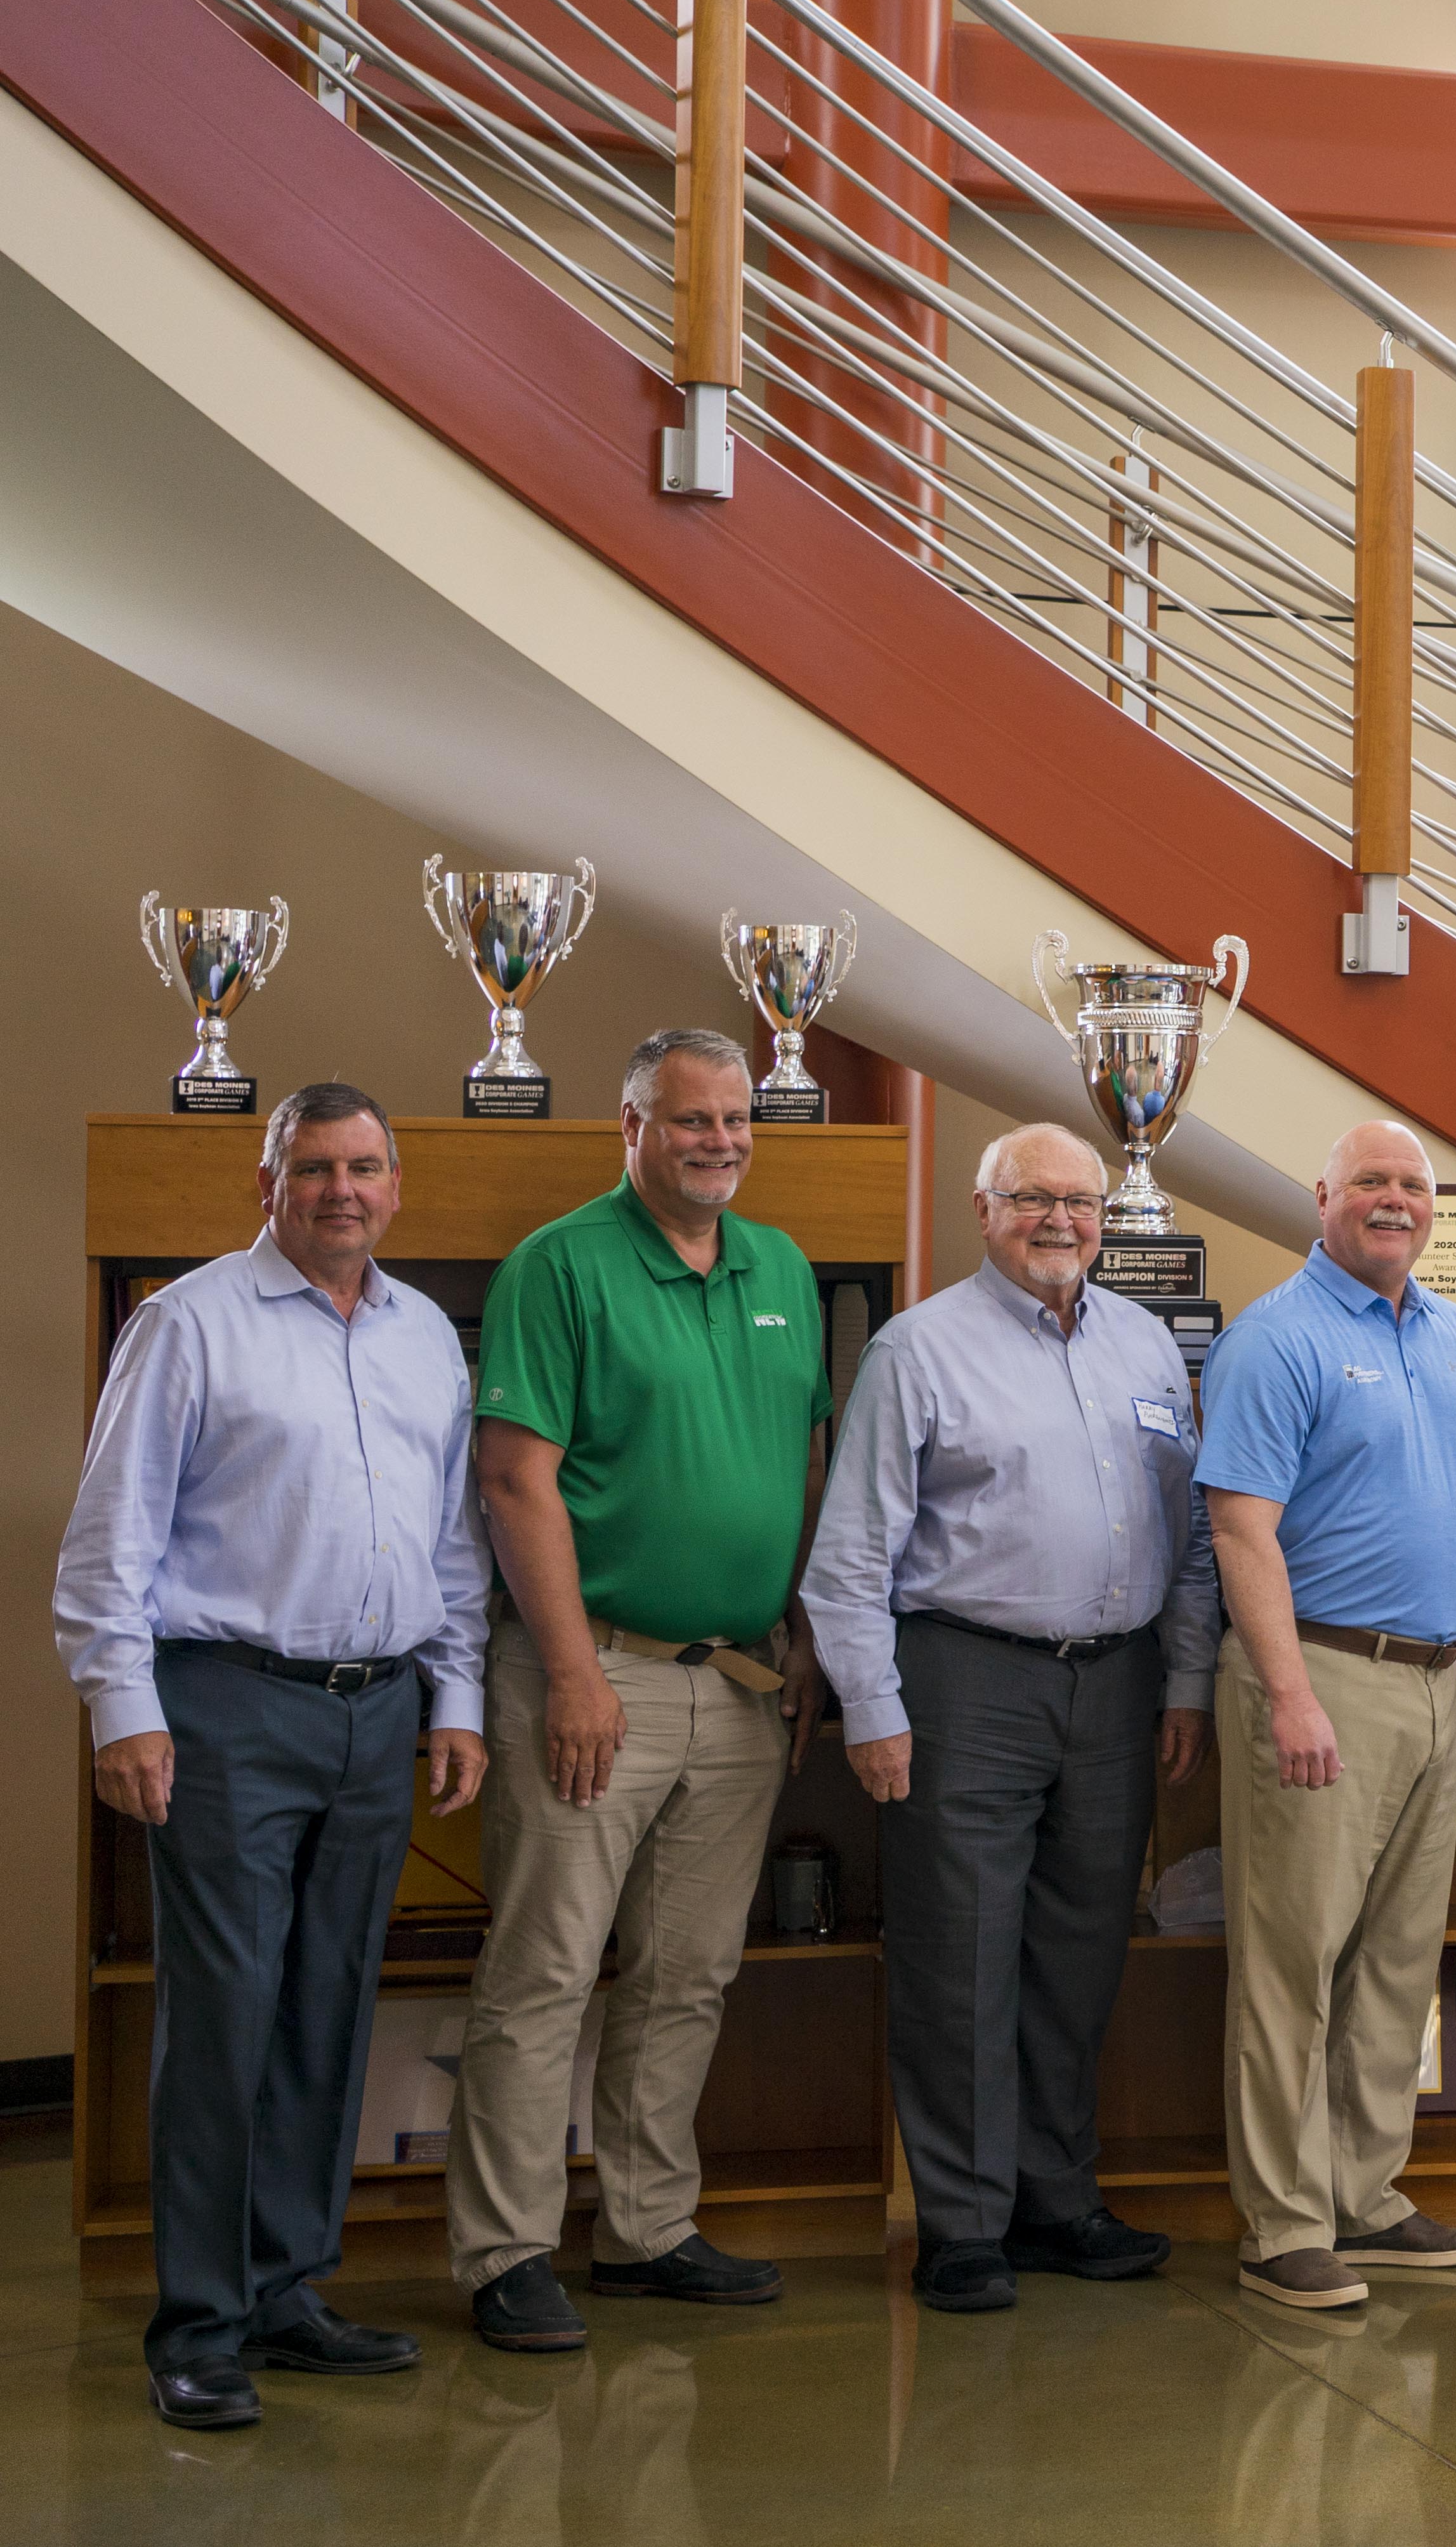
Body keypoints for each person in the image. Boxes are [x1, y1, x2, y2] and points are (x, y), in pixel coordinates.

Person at [55, 1084, 489, 2430]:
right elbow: (108, 1536)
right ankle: (197, 2323)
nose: (340, 1189)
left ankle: (288, 2286)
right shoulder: (188, 1324)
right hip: (227, 1708)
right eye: (313, 1167)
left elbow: (452, 1539)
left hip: (375, 1711)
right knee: (227, 2013)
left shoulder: (426, 1338)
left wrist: (457, 1695)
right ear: (268, 1185)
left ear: (396, 1185)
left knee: (325, 2008)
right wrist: (121, 1704)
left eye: (364, 1165)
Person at [450, 1029, 834, 2352]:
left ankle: (646, 2226)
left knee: (688, 1974)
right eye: (690, 1119)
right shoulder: (560, 1264)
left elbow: (802, 1459)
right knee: (546, 1967)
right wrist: (567, 1671)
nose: (720, 1137)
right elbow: (514, 1478)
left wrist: (798, 1631)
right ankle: (504, 2250)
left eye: (735, 1116)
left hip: (736, 1681)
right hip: (594, 1670)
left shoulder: (779, 1265)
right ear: (631, 1127)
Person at [801, 1122, 1222, 2314]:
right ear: (984, 1211)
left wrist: (1184, 1682)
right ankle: (964, 2222)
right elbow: (850, 1557)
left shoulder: (1145, 1344)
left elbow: (1188, 1541)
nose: (1059, 1219)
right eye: (1030, 1197)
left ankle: (1056, 2201)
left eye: (1080, 1201)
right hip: (964, 1680)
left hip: (1119, 1682)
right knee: (959, 1955)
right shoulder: (916, 1349)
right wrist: (873, 1710)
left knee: (1082, 1952)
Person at [1196, 1120, 1456, 2310]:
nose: (1394, 1200)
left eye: (1413, 1185)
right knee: (1293, 1959)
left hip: (1441, 1680)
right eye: (1371, 1182)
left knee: (1397, 1957)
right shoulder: (1271, 1339)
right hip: (1321, 1676)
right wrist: (1286, 1691)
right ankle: (1282, 2220)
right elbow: (1241, 1529)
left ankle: (1367, 2196)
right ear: (1324, 1194)